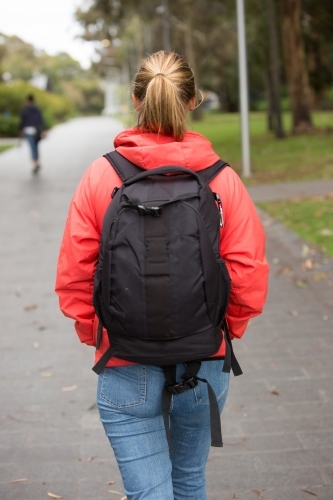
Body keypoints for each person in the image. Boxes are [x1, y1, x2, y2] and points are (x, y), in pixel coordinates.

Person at [55, 51, 269, 500]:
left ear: (136, 100)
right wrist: (223, 329)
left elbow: (74, 274)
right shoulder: (221, 179)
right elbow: (247, 274)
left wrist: (98, 333)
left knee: (148, 493)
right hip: (204, 358)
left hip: (125, 360)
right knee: (189, 480)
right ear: (193, 102)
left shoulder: (102, 175)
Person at [20, 94, 45, 174]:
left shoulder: (25, 110)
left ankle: (35, 163)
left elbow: (22, 121)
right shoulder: (37, 109)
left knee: (32, 147)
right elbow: (41, 119)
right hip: (36, 130)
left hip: (28, 130)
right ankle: (37, 162)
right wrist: (44, 129)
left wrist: (20, 130)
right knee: (36, 147)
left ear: (27, 101)